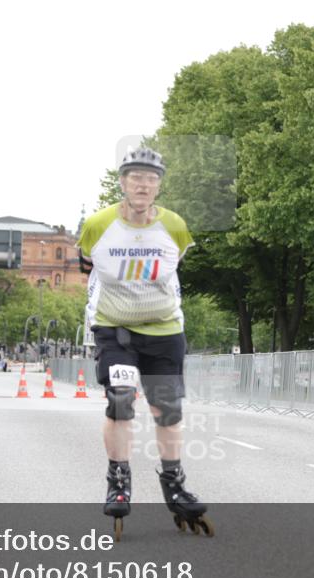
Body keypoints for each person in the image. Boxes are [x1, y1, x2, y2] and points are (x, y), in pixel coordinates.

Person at [76, 146, 211, 539]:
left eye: (150, 178)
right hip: (115, 329)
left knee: (167, 410)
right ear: (122, 182)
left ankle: (174, 485)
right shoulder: (98, 225)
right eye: (135, 177)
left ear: (159, 186)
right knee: (120, 397)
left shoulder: (175, 226)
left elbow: (173, 268)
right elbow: (87, 266)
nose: (143, 184)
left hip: (165, 330)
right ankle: (118, 481)